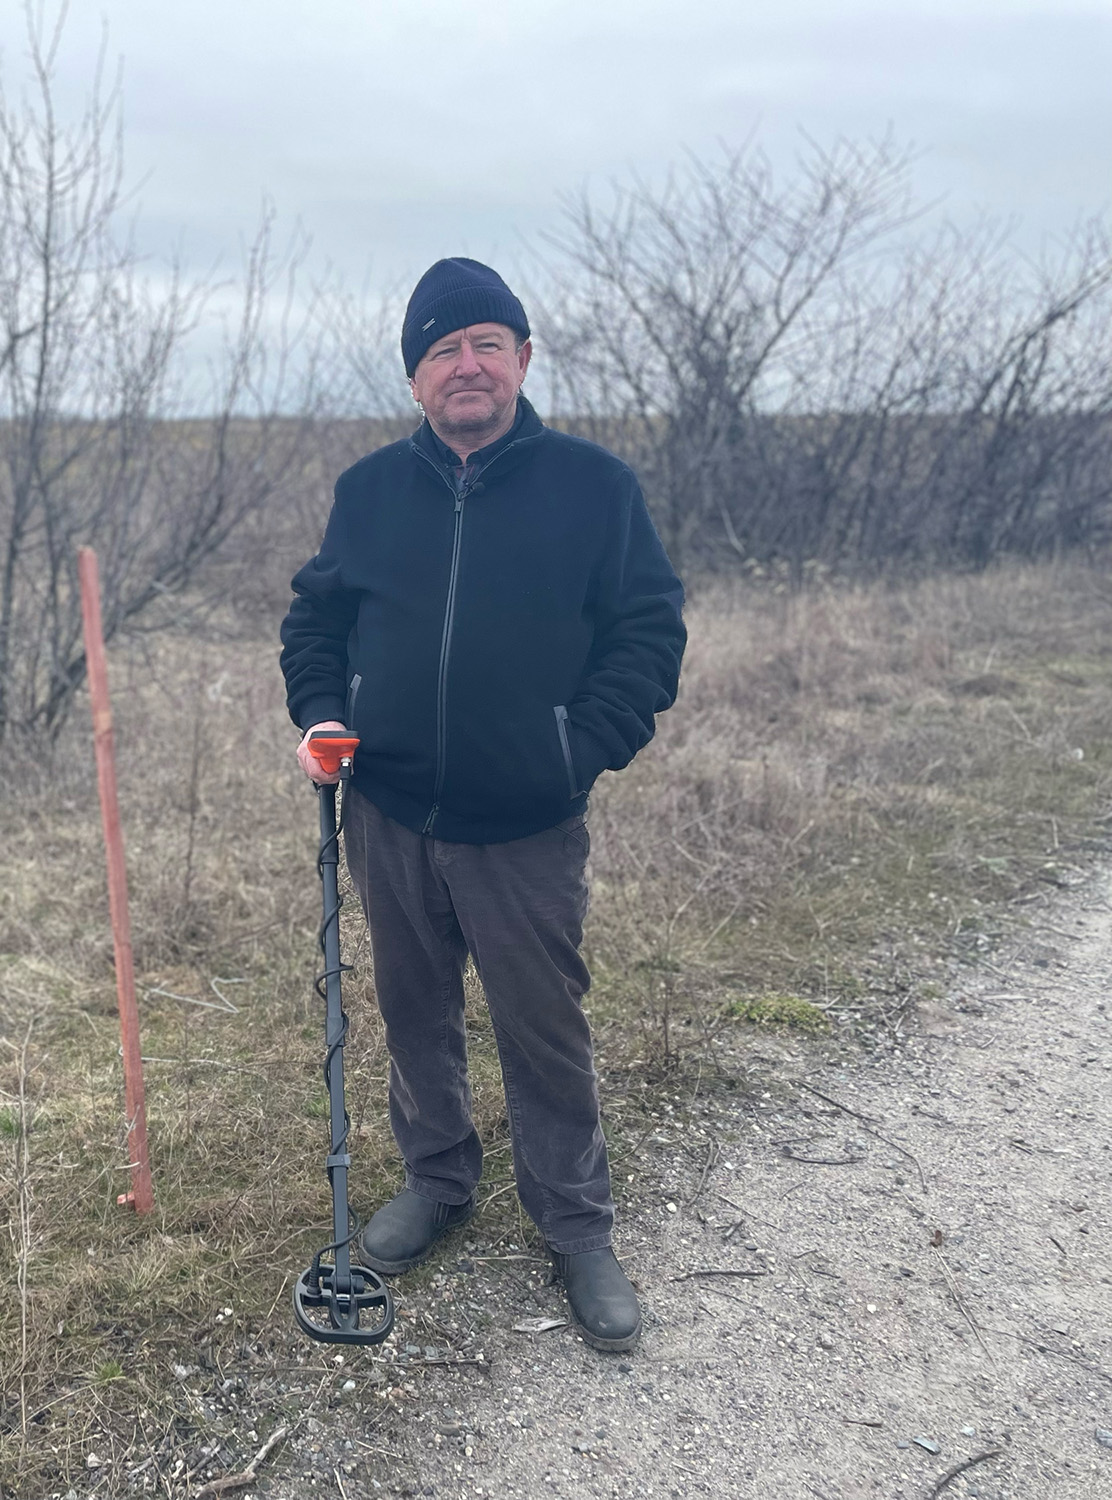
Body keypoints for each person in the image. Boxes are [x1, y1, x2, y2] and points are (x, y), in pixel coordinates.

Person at [277, 257, 685, 1351]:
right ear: (414, 377)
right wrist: (319, 717)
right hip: (389, 810)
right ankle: (438, 1180)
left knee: (541, 1030)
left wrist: (577, 747)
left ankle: (575, 1224)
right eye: (441, 350)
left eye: (484, 344)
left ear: (521, 359)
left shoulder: (593, 489)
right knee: (413, 1012)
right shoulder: (366, 493)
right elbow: (313, 624)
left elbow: (647, 632)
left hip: (525, 822)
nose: (465, 366)